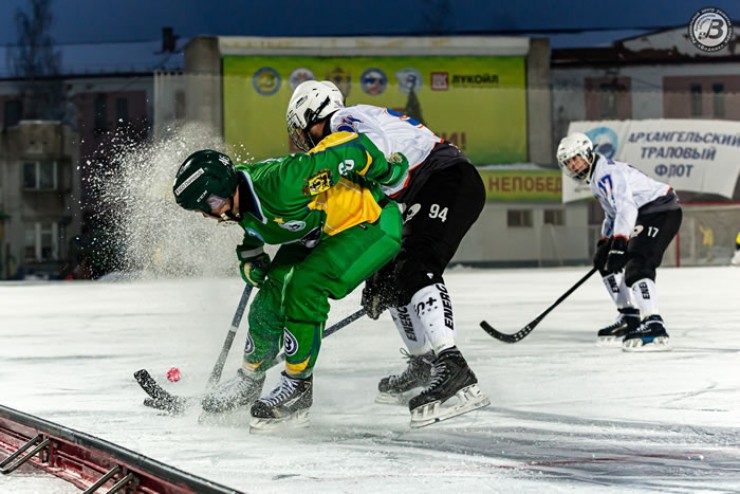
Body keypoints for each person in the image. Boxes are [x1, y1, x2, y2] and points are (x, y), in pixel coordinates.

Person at [286, 80, 490, 426]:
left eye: (300, 126)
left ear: (312, 114)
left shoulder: (343, 122)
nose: (301, 136)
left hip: (447, 179)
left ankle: (454, 368)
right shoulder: (345, 129)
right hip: (427, 186)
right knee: (391, 275)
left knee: (417, 266)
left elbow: (376, 155)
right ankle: (423, 363)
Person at [172, 132, 406, 430]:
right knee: (269, 298)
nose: (207, 216)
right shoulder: (240, 197)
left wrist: (390, 172)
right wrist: (250, 255)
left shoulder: (284, 182)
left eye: (209, 206)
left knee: (304, 287)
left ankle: (297, 388)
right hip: (319, 231)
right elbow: (260, 226)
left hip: (369, 223)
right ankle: (249, 380)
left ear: (221, 193)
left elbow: (351, 149)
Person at [557, 132, 683, 351]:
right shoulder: (596, 178)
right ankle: (629, 316)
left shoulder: (607, 174)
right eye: (569, 163)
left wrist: (619, 242)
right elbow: (613, 215)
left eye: (576, 158)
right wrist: (605, 243)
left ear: (588, 153)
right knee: (606, 264)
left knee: (638, 264)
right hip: (642, 214)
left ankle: (654, 322)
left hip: (660, 211)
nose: (574, 166)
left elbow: (626, 207)